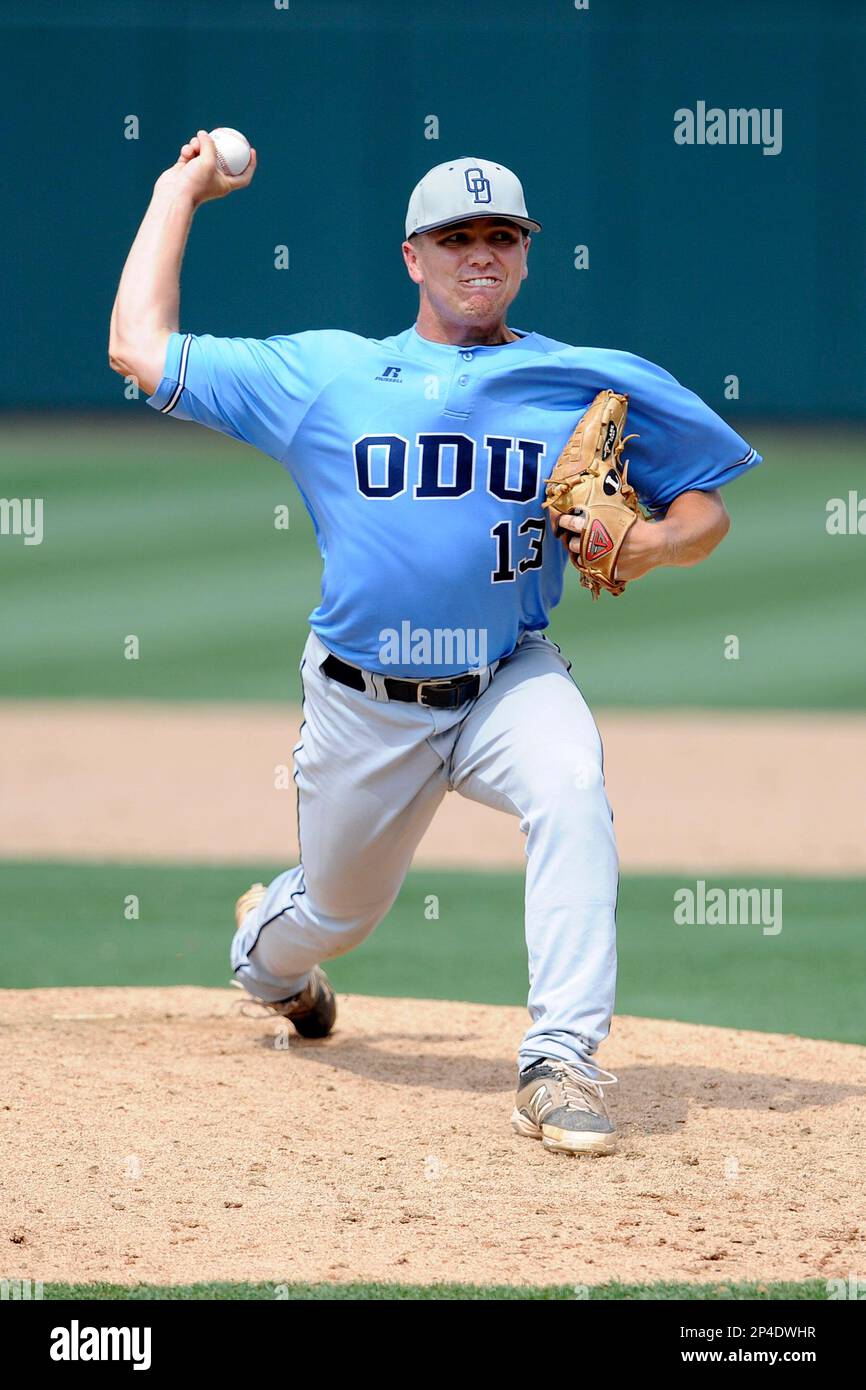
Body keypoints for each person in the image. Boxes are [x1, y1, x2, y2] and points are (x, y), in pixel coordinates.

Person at [109, 141, 761, 1156]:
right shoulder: (326, 376)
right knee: (334, 912)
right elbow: (138, 347)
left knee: (572, 789)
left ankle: (559, 1061)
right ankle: (269, 962)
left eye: (500, 235)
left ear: (525, 256)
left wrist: (656, 543)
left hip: (507, 676)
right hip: (363, 704)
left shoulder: (583, 380)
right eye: (455, 238)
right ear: (412, 256)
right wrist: (176, 189)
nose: (479, 253)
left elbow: (705, 508)